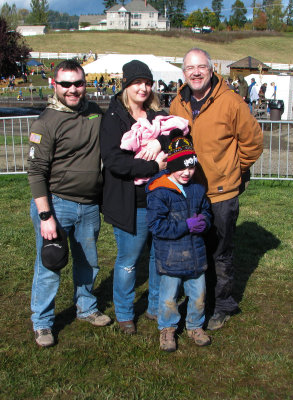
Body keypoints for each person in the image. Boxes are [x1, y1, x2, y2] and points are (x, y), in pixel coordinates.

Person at [170, 48, 263, 331]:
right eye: (189, 68)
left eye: (201, 67)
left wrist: (234, 168)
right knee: (194, 248)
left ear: (212, 70)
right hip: (189, 192)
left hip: (221, 193)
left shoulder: (232, 102)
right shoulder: (178, 103)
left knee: (220, 252)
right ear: (183, 73)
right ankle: (198, 300)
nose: (195, 72)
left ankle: (222, 305)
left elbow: (253, 143)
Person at [27, 60, 111, 348]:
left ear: (85, 83)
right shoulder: (46, 122)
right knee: (50, 265)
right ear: (55, 85)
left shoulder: (94, 112)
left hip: (89, 206)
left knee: (89, 262)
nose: (72, 89)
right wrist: (46, 215)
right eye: (66, 84)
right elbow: (36, 172)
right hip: (57, 206)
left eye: (78, 83)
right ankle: (42, 322)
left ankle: (86, 307)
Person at [100, 60, 168, 334]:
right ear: (126, 85)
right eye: (137, 82)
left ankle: (154, 306)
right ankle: (125, 312)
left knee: (156, 257)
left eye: (147, 83)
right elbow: (115, 161)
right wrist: (152, 167)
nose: (143, 87)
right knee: (128, 260)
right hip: (131, 203)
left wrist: (160, 142)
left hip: (159, 200)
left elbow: (177, 135)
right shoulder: (114, 118)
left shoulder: (157, 115)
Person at [146, 129, 212, 352]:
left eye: (191, 166)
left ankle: (195, 325)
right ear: (171, 166)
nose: (187, 172)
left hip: (195, 255)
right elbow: (156, 226)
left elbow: (206, 212)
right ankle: (167, 328)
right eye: (181, 167)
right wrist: (186, 226)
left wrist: (206, 221)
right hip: (171, 256)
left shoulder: (197, 190)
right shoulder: (160, 192)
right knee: (168, 296)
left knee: (198, 295)